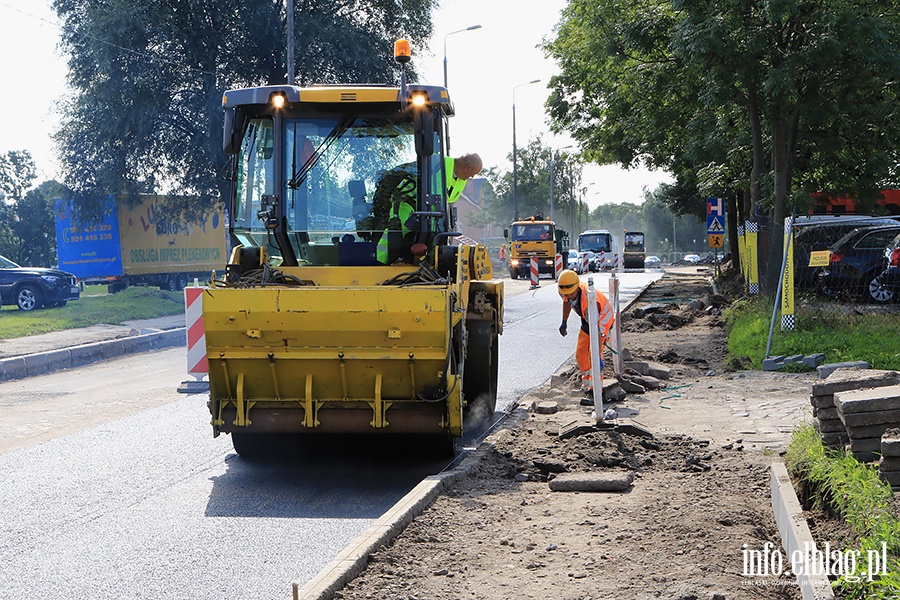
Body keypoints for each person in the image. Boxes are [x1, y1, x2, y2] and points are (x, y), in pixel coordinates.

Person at [375, 153, 482, 264]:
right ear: (467, 168)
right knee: (396, 232)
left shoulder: (460, 180)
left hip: (429, 214)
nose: (472, 177)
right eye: (473, 174)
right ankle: (379, 262)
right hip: (407, 205)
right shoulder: (435, 163)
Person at [557, 269, 614, 394]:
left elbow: (597, 331)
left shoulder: (589, 301)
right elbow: (566, 302)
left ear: (577, 287)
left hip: (602, 321)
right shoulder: (566, 292)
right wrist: (564, 321)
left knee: (593, 355)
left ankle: (596, 390)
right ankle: (587, 384)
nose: (568, 295)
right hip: (587, 320)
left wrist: (597, 354)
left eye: (570, 293)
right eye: (565, 293)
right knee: (581, 354)